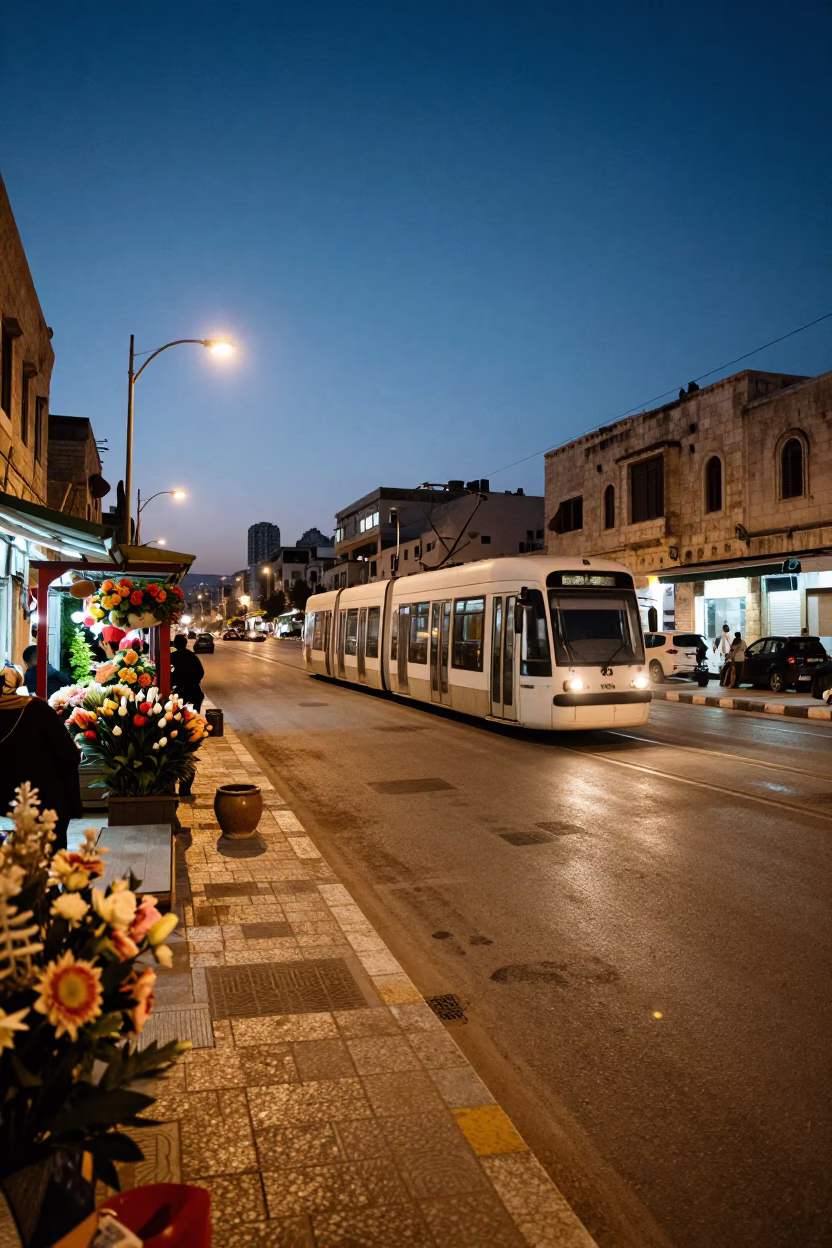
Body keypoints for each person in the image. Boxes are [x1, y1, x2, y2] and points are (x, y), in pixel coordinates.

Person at [0, 666, 83, 851]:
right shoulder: (36, 708)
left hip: (7, 797)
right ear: (19, 683)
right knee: (52, 851)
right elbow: (67, 753)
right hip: (45, 794)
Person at [170, 633, 205, 712]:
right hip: (195, 691)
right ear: (185, 644)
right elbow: (200, 672)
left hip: (181, 692)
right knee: (195, 716)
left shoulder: (172, 656)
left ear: (175, 644)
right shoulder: (192, 656)